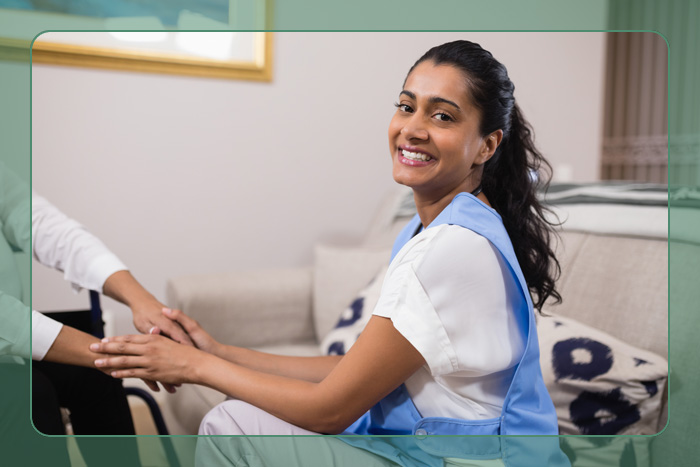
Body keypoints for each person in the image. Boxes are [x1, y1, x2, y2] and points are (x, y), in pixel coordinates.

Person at [92, 40, 569, 466]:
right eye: (407, 107)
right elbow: (352, 368)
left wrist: (194, 366)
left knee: (233, 424)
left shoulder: (453, 248)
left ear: (487, 146)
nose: (413, 129)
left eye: (442, 116)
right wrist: (219, 352)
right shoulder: (433, 230)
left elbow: (331, 410)